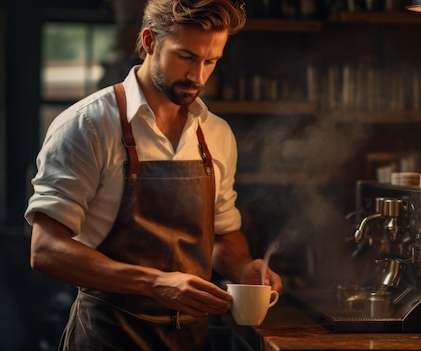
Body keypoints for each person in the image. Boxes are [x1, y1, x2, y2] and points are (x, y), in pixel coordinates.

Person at [24, 1, 283, 350]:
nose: (198, 76)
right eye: (187, 57)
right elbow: (46, 250)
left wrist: (242, 270)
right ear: (149, 41)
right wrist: (154, 283)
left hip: (191, 339)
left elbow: (223, 233)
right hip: (108, 336)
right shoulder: (88, 126)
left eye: (211, 62)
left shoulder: (216, 134)